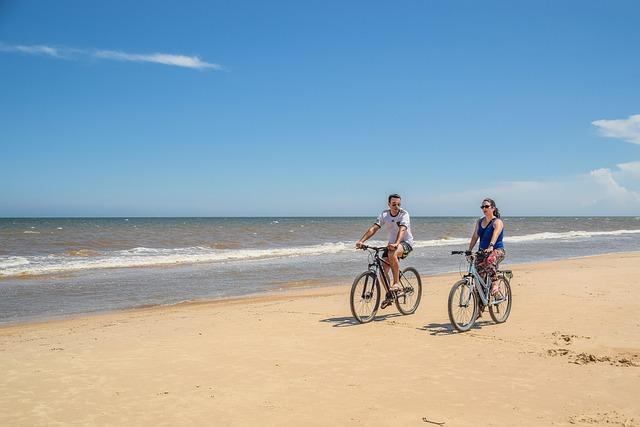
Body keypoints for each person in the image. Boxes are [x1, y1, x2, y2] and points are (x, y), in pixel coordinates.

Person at [356, 193, 414, 293]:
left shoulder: (404, 214)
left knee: (392, 252)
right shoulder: (384, 214)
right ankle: (389, 294)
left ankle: (396, 283)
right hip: (391, 244)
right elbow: (374, 228)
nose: (397, 207)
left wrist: (396, 243)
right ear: (389, 204)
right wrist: (362, 241)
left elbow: (402, 229)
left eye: (399, 204)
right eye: (394, 204)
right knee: (383, 270)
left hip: (406, 243)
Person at [467, 197, 505, 296]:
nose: (484, 209)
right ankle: (479, 307)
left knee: (490, 259)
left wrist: (491, 246)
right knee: (478, 280)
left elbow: (495, 234)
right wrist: (469, 250)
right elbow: (475, 236)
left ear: (493, 208)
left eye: (486, 206)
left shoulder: (497, 222)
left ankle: (495, 284)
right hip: (483, 252)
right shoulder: (479, 222)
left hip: (497, 250)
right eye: (482, 207)